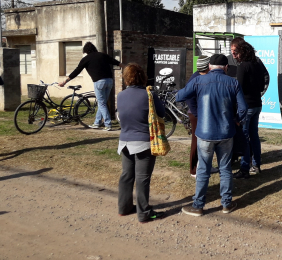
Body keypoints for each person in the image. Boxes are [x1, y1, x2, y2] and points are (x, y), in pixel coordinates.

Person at [181, 54, 247, 216]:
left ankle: (198, 206)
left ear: (209, 66)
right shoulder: (233, 82)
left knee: (203, 169)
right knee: (225, 168)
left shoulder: (198, 80)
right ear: (226, 68)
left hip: (204, 132)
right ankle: (226, 204)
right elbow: (243, 108)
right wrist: (237, 120)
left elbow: (180, 96)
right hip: (226, 132)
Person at [116, 63, 165, 223]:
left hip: (125, 141)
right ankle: (143, 212)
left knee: (126, 175)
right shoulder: (149, 95)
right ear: (142, 77)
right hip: (144, 141)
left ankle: (124, 208)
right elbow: (162, 112)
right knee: (142, 178)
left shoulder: (120, 96)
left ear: (126, 78)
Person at [59, 41, 122, 131]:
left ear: (86, 51)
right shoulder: (103, 55)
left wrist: (64, 81)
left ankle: (108, 124)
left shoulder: (86, 59)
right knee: (102, 102)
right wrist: (128, 67)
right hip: (110, 81)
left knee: (102, 103)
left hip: (99, 82)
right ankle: (97, 122)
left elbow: (76, 71)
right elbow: (116, 62)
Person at [233, 41, 268, 179]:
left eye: (236, 52)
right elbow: (261, 86)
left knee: (245, 138)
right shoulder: (257, 64)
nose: (235, 55)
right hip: (257, 104)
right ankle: (256, 165)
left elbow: (238, 88)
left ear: (243, 51)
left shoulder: (243, 66)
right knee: (254, 136)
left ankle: (244, 168)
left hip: (246, 106)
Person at [176, 56, 210, 178]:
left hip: (201, 114)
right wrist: (197, 113)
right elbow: (188, 97)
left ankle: (204, 165)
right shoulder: (195, 78)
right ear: (207, 66)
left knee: (205, 142)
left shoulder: (203, 76)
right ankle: (194, 169)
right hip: (196, 115)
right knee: (196, 141)